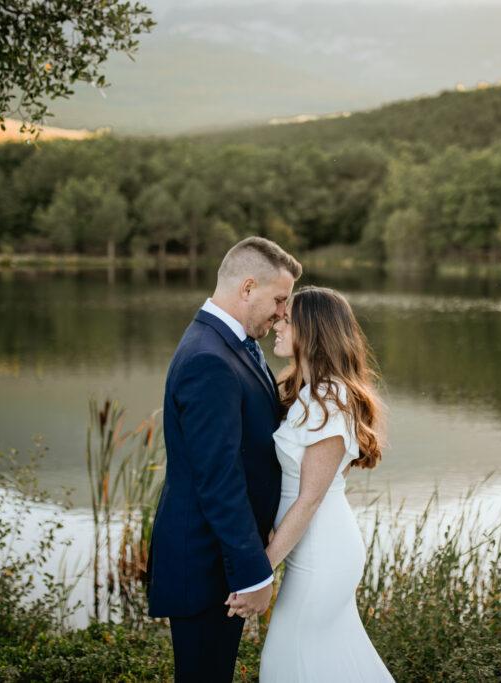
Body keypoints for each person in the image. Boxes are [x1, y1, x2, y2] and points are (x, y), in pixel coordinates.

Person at [147, 236, 302, 683]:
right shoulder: (208, 359)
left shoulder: (232, 344)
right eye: (278, 299)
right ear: (248, 287)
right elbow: (219, 478)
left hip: (218, 558)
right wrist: (254, 572)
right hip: (205, 563)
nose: (282, 313)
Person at [227, 285, 394, 681]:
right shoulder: (309, 392)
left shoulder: (328, 400)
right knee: (328, 659)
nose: (277, 324)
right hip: (314, 546)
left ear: (313, 330)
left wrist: (259, 572)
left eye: (287, 319)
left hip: (323, 551)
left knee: (287, 659)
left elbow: (309, 500)